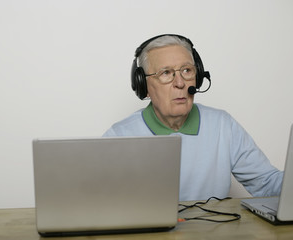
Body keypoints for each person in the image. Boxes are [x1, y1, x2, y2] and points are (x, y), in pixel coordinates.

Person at [103, 34, 283, 201]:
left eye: (187, 70)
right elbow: (99, 201)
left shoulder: (222, 125)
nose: (180, 83)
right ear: (144, 86)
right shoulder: (119, 136)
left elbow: (267, 182)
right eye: (166, 73)